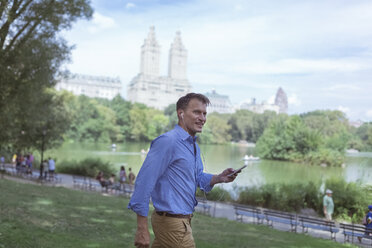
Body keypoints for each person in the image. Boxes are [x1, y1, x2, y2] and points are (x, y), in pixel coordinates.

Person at [128, 93, 239, 248]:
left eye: (204, 113)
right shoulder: (168, 142)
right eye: (196, 112)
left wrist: (219, 178)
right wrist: (141, 227)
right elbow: (144, 182)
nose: (202, 118)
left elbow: (197, 177)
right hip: (172, 224)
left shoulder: (193, 145)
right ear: (181, 113)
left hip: (182, 221)